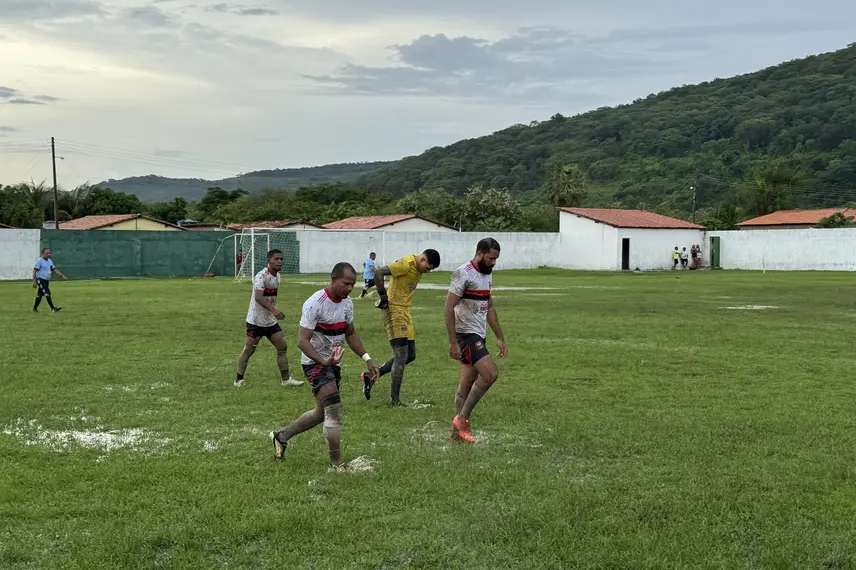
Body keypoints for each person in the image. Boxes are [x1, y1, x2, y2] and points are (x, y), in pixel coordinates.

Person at [271, 262, 379, 469]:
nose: (349, 288)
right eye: (345, 283)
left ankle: (281, 436)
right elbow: (302, 340)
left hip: (332, 364)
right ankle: (336, 464)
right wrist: (323, 361)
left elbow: (351, 333)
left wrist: (367, 358)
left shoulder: (347, 304)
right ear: (333, 279)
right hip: (314, 362)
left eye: (352, 284)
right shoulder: (315, 303)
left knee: (322, 413)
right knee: (334, 410)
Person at [444, 238, 507, 443]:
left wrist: (499, 337)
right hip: (465, 335)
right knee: (490, 374)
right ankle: (462, 420)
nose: (494, 262)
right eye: (491, 258)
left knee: (466, 384)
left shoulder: (487, 274)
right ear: (480, 253)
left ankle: (457, 434)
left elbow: (489, 307)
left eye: (496, 259)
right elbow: (448, 308)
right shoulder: (463, 273)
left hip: (478, 335)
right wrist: (453, 342)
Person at [361, 249, 441, 406]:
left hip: (405, 312)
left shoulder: (416, 267)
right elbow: (378, 273)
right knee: (401, 355)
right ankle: (394, 401)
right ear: (423, 259)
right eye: (429, 268)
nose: (428, 271)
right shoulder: (406, 264)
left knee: (410, 354)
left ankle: (370, 377)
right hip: (393, 312)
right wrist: (383, 297)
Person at [235, 249, 304, 387]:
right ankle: (238, 380)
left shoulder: (277, 277)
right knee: (249, 350)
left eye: (281, 259)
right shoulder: (261, 276)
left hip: (269, 322)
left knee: (282, 347)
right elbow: (259, 297)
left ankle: (286, 380)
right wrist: (274, 310)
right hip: (256, 321)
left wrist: (272, 313)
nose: (279, 261)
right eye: (276, 259)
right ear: (269, 260)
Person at [32, 248, 67, 313]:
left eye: (49, 253)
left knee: (40, 294)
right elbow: (35, 271)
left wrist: (61, 276)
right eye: (47, 253)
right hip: (40, 280)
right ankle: (53, 308)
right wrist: (34, 281)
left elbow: (54, 269)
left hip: (46, 281)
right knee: (47, 293)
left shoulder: (49, 261)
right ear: (43, 253)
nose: (49, 254)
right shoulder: (39, 261)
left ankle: (34, 309)